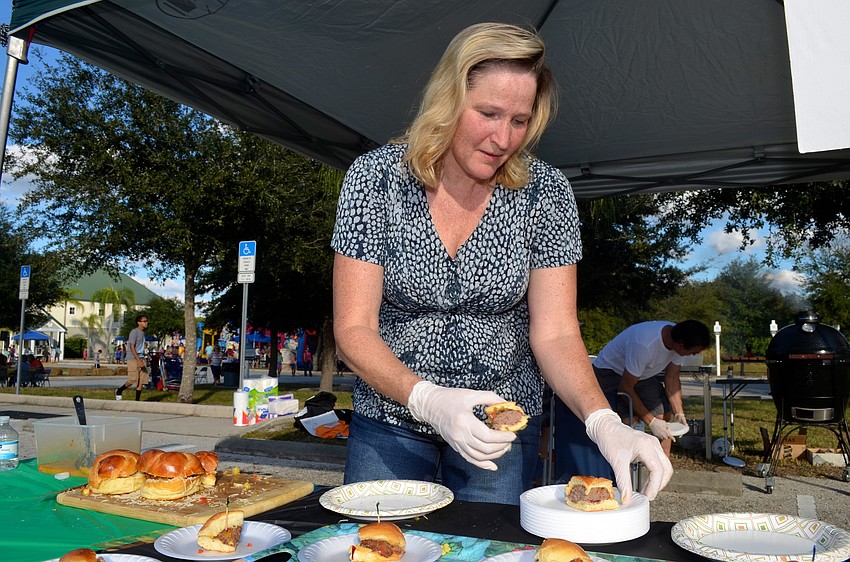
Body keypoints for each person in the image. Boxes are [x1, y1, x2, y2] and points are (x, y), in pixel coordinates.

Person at [331, 22, 673, 505]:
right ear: (449, 99)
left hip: (503, 428)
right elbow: (353, 328)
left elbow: (555, 332)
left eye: (519, 120)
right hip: (391, 422)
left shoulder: (546, 193)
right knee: (379, 547)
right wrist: (427, 399)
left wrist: (603, 421)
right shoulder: (376, 178)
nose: (502, 138)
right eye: (488, 113)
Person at [556, 320, 710, 482]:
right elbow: (625, 388)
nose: (693, 355)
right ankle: (621, 471)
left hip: (640, 374)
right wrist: (650, 422)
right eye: (693, 352)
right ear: (680, 345)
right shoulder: (645, 345)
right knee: (627, 421)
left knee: (665, 414)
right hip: (609, 372)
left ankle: (661, 468)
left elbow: (671, 378)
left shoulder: (680, 336)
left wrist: (679, 413)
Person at [116, 315, 149, 401]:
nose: (146, 323)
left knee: (142, 380)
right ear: (139, 322)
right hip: (133, 358)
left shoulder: (143, 333)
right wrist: (138, 360)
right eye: (144, 321)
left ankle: (137, 401)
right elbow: (131, 346)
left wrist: (143, 359)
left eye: (146, 321)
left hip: (141, 357)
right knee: (133, 379)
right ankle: (119, 391)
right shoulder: (134, 332)